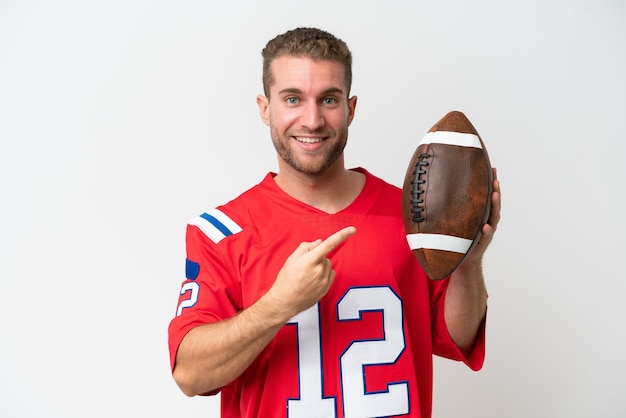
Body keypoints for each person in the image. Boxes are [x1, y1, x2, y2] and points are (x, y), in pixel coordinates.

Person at [168, 27, 501, 418]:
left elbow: (455, 338)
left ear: (351, 108)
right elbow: (190, 374)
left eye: (328, 99)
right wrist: (279, 304)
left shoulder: (411, 216)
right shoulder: (221, 231)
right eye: (293, 99)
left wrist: (469, 264)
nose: (312, 120)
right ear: (264, 108)